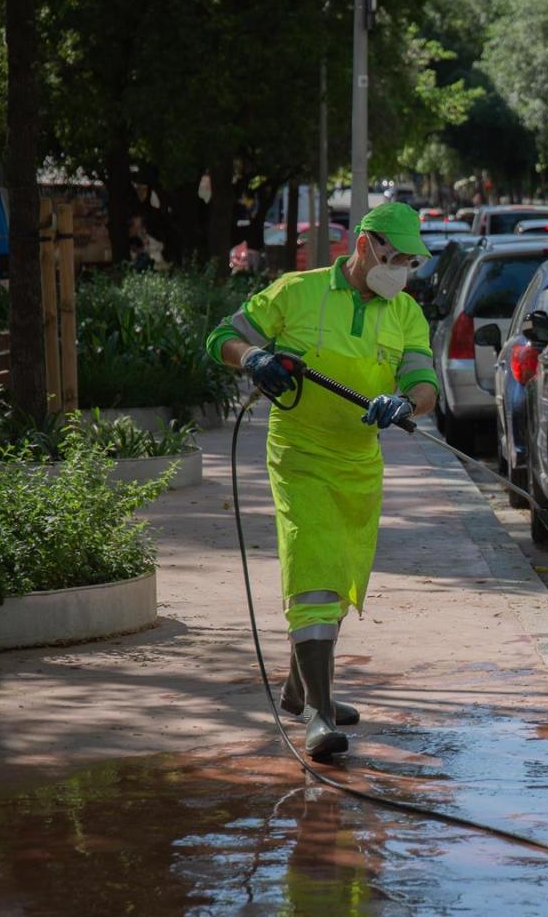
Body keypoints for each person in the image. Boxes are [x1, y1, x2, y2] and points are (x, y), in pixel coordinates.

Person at [204, 202, 437, 761]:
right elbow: (220, 338)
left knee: (337, 575)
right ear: (365, 246)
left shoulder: (405, 312)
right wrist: (255, 357)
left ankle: (296, 688)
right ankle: (319, 713)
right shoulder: (296, 291)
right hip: (300, 454)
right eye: (396, 256)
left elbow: (424, 383)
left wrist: (403, 402)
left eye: (410, 261)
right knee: (312, 571)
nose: (402, 268)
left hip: (359, 462)